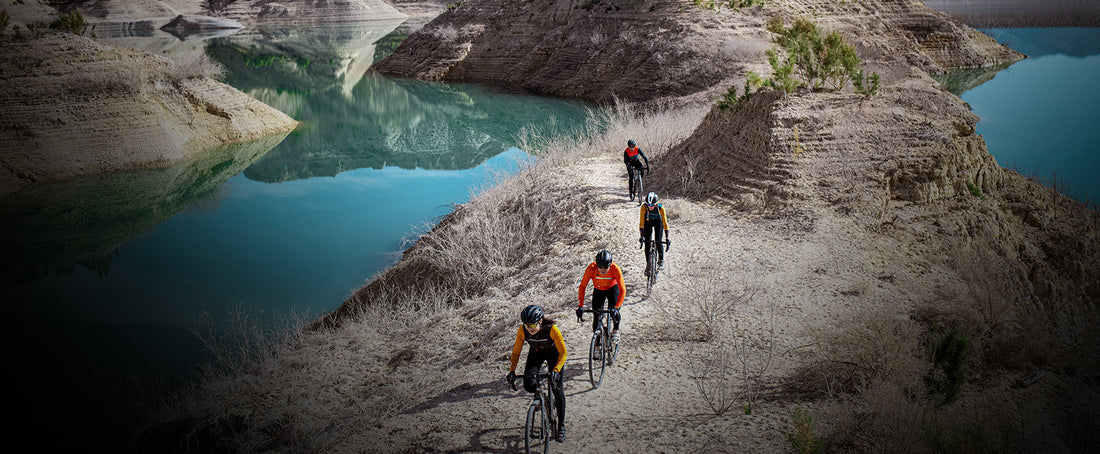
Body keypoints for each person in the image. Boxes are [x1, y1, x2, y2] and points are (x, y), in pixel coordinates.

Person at [507, 304, 568, 442]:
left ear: (540, 321)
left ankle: (562, 425)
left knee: (557, 389)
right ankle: (541, 396)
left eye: (533, 326)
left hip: (554, 355)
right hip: (536, 353)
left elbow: (563, 353)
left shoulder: (552, 329)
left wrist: (556, 370)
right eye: (527, 326)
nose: (530, 329)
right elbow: (516, 352)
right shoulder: (522, 331)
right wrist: (512, 371)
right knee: (528, 384)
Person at [575, 250, 626, 344]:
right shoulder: (591, 268)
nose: (602, 269)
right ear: (596, 264)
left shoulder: (615, 269)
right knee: (596, 318)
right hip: (598, 290)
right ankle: (598, 345)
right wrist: (580, 305)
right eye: (600, 267)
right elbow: (582, 286)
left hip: (612, 289)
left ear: (610, 265)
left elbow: (622, 289)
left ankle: (616, 330)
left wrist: (617, 306)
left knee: (614, 312)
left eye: (606, 267)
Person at [639, 192, 670, 271]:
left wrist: (667, 238)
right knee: (647, 244)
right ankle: (648, 264)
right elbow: (641, 222)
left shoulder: (660, 208)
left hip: (658, 223)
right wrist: (642, 236)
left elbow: (665, 223)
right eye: (648, 205)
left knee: (658, 241)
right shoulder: (644, 207)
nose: (650, 207)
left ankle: (661, 260)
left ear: (656, 204)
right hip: (648, 222)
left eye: (652, 205)